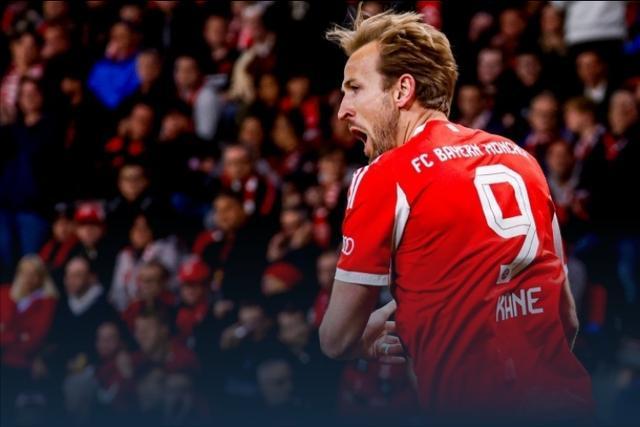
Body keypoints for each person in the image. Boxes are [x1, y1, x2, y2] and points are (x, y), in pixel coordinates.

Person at [319, 9, 593, 425]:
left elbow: (335, 339)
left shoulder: (383, 176)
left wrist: (365, 337)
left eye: (354, 88)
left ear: (402, 90)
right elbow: (566, 319)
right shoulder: (521, 159)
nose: (343, 110)